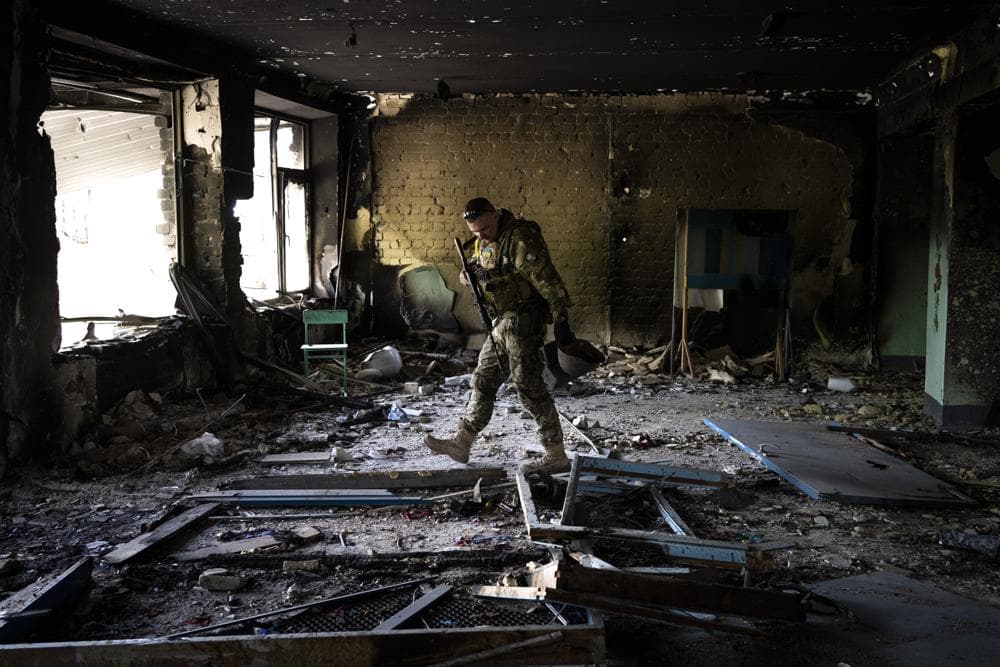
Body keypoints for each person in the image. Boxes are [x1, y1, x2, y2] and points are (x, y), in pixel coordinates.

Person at [423, 197, 578, 474]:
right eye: (475, 233)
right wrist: (467, 274)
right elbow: (478, 266)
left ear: (494, 215)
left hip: (523, 322)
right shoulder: (484, 241)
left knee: (529, 386)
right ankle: (463, 442)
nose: (480, 236)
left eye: (483, 228)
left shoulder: (520, 238)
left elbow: (548, 280)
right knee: (483, 379)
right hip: (501, 323)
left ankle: (556, 453)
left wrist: (562, 319)